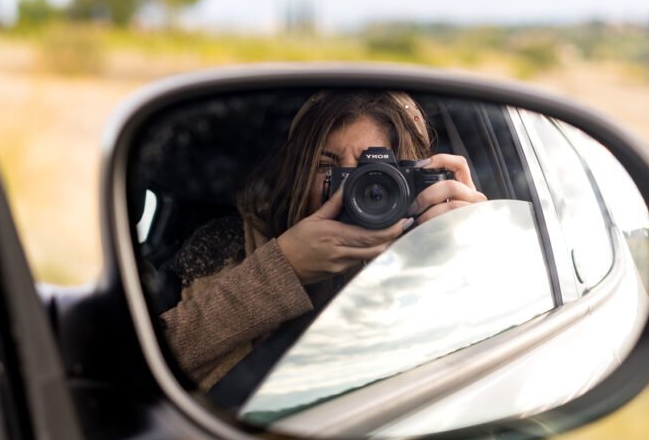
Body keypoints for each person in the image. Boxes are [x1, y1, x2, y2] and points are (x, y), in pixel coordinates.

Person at [160, 90, 486, 394]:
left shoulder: (436, 244)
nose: (353, 190)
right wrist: (284, 267)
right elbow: (148, 357)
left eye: (374, 170)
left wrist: (467, 250)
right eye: (326, 166)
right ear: (298, 173)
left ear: (414, 178)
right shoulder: (229, 245)